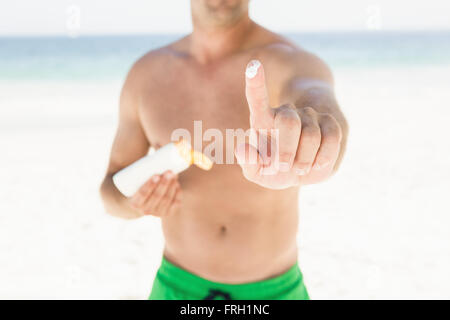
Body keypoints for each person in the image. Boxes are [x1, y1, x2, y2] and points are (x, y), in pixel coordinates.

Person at [100, 0, 348, 300]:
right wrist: (135, 203)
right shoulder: (146, 75)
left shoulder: (291, 62)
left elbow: (316, 97)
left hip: (274, 293)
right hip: (176, 288)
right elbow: (111, 192)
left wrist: (319, 133)